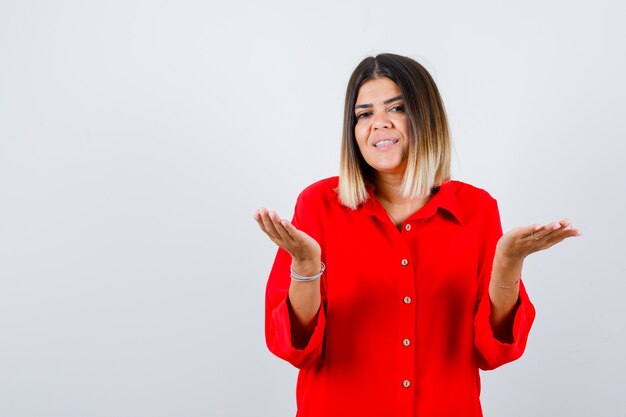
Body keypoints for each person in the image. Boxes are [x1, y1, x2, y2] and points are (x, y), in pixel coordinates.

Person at [253, 53, 580, 417]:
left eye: (396, 108)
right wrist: (305, 266)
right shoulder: (318, 205)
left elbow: (495, 352)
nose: (378, 124)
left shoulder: (477, 210)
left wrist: (507, 265)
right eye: (364, 114)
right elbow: (294, 348)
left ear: (426, 118)